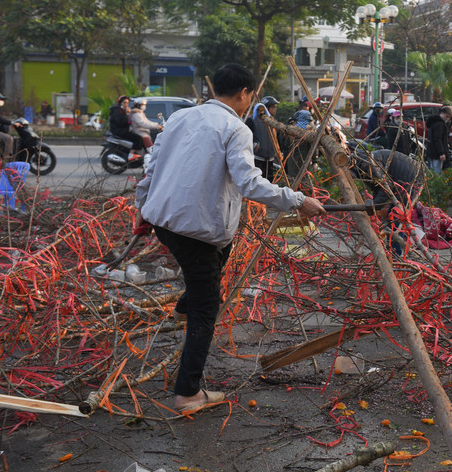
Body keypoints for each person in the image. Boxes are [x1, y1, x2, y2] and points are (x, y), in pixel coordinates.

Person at [134, 64, 326, 413]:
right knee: (207, 307)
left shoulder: (180, 117)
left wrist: (141, 207)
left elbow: (152, 165)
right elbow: (249, 183)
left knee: (210, 266)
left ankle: (182, 308)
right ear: (244, 95)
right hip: (197, 230)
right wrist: (298, 200)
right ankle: (187, 392)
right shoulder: (234, 127)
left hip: (165, 220)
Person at [245, 96, 283, 179]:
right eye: (273, 107)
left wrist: (278, 151)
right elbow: (246, 137)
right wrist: (255, 144)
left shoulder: (273, 121)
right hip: (257, 159)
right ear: (266, 107)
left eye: (276, 107)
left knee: (270, 184)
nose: (275, 109)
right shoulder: (252, 120)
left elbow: (277, 139)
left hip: (270, 160)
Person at [109, 95, 145, 160]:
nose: (126, 104)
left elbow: (129, 122)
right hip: (119, 131)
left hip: (123, 130)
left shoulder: (123, 110)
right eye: (124, 103)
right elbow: (121, 122)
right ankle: (131, 154)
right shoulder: (117, 111)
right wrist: (127, 114)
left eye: (127, 103)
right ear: (120, 103)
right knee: (139, 139)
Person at [425, 105, 452, 173]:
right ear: (442, 113)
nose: (447, 119)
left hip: (431, 151)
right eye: (447, 116)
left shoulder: (433, 122)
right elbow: (438, 139)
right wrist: (441, 152)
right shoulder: (440, 124)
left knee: (432, 171)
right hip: (436, 153)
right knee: (436, 172)